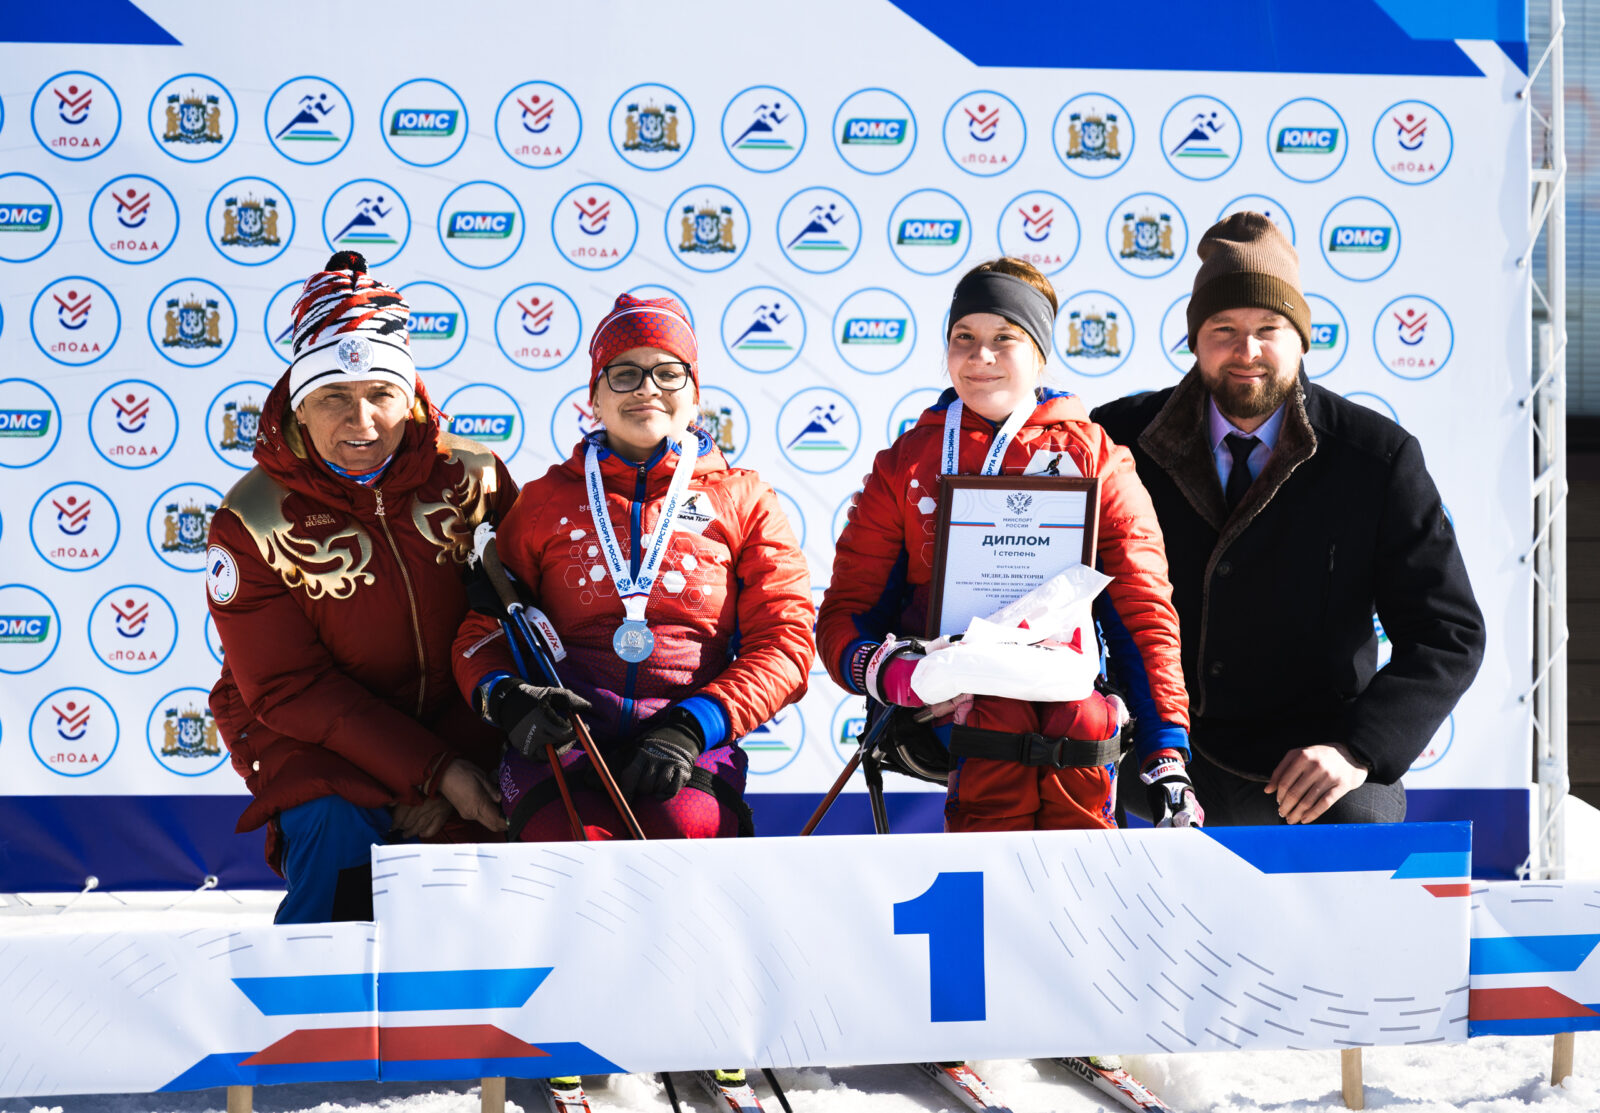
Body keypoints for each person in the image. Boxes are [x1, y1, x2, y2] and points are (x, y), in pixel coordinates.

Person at [1093, 213, 1486, 826]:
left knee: (1358, 829)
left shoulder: (1376, 458)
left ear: (1302, 338)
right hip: (1154, 748)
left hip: (1308, 758)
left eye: (1268, 329)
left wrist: (1357, 750)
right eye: (1223, 329)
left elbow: (1447, 632)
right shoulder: (1117, 440)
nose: (1246, 351)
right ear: (1194, 340)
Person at [818, 258, 1199, 832]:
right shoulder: (907, 463)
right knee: (995, 715)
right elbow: (847, 614)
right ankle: (988, 882)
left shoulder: (1096, 459)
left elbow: (1140, 611)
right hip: (943, 698)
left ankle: (1083, 886)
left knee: (1084, 718)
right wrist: (899, 676)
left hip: (1064, 690)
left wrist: (1165, 750)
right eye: (963, 337)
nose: (981, 356)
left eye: (1004, 338)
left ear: (1040, 352)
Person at [206, 251, 517, 924]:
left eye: (381, 393)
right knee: (337, 838)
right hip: (314, 740)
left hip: (460, 726)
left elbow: (514, 625)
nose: (363, 422)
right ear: (299, 403)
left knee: (484, 879)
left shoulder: (474, 478)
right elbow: (289, 687)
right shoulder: (252, 518)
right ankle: (317, 986)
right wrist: (434, 772)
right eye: (334, 398)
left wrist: (457, 765)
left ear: (411, 395)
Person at [454, 293, 814, 841]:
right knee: (565, 835)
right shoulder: (545, 500)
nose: (647, 388)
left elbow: (785, 643)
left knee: (682, 831)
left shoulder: (746, 501)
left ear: (695, 395)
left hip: (690, 736)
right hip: (566, 734)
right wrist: (506, 698)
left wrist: (695, 725)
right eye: (624, 374)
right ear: (594, 397)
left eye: (668, 373)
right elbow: (483, 631)